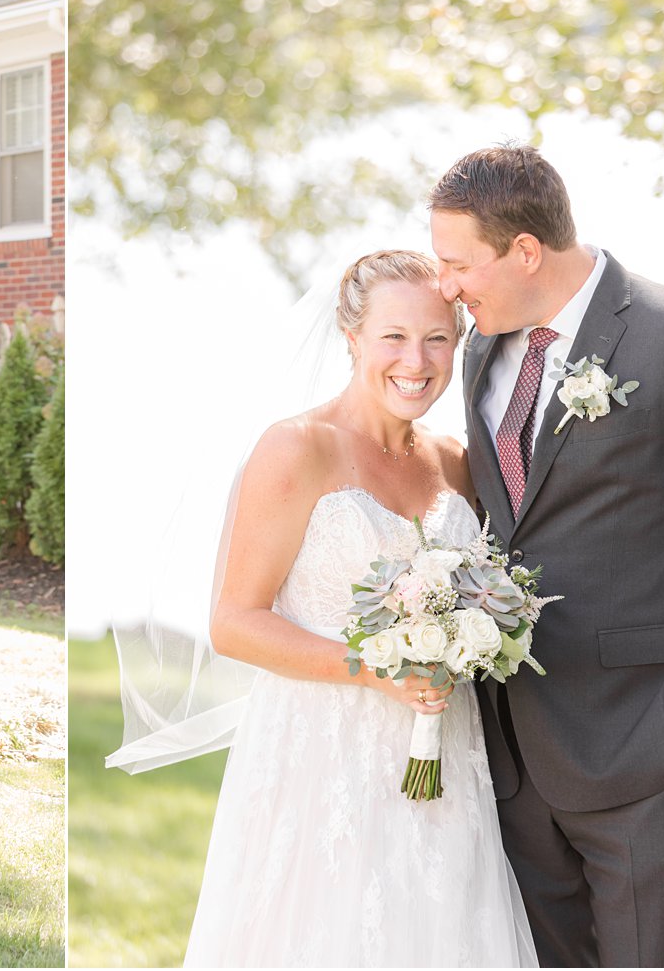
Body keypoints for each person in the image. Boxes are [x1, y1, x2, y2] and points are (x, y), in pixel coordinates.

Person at [428, 144, 664, 968]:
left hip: (645, 754)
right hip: (513, 761)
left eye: (457, 264)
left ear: (525, 251)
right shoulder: (483, 348)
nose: (445, 286)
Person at [117, 252, 536, 966]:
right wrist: (371, 671)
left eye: (438, 337)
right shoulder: (297, 448)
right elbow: (234, 620)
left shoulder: (457, 461)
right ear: (352, 337)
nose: (417, 359)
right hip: (324, 757)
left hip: (446, 756)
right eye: (394, 337)